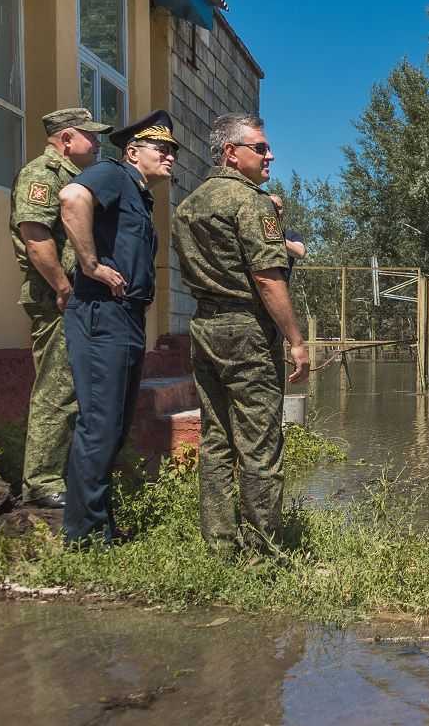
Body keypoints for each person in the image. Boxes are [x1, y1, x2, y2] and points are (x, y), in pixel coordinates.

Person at [174, 113, 309, 557]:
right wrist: (296, 340)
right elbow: (269, 279)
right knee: (260, 440)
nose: (269, 155)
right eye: (260, 148)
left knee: (215, 439)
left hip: (204, 326)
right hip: (246, 329)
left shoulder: (188, 205)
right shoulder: (250, 203)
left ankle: (218, 544)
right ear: (231, 153)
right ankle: (264, 551)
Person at [57, 110, 177, 544]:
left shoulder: (139, 193)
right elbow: (71, 198)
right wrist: (90, 265)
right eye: (161, 149)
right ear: (132, 152)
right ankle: (84, 537)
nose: (170, 157)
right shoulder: (112, 173)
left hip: (124, 318)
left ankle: (99, 526)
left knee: (116, 425)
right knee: (100, 423)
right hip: (101, 315)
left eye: (172, 151)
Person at [9, 108, 111, 509]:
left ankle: (62, 474)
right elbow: (35, 236)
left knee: (74, 387)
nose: (98, 142)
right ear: (66, 138)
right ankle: (42, 481)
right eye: (90, 135)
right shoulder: (42, 175)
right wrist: (63, 285)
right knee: (57, 388)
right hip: (55, 299)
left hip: (71, 296)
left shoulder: (71, 177)